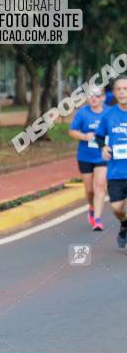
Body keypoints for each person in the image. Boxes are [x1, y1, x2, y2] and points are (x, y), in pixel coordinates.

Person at [68, 86, 107, 230]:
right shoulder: (82, 113)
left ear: (103, 98)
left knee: (100, 186)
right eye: (91, 96)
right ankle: (91, 206)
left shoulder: (109, 113)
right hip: (85, 156)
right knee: (90, 190)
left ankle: (97, 219)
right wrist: (84, 136)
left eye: (97, 96)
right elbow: (72, 131)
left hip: (103, 155)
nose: (94, 98)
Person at [97, 75, 127, 248]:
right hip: (116, 171)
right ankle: (124, 225)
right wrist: (103, 147)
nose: (122, 92)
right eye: (119, 89)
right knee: (117, 208)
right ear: (114, 92)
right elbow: (100, 136)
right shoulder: (109, 114)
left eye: (125, 88)